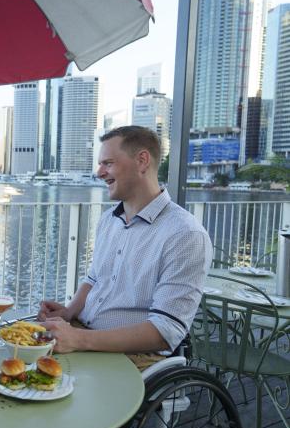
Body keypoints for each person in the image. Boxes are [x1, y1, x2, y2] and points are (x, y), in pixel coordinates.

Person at [38, 126, 211, 366]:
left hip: (131, 355)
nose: (99, 173)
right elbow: (94, 278)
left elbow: (165, 331)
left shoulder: (185, 235)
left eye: (107, 163)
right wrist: (69, 313)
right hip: (85, 333)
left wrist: (78, 339)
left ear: (142, 161)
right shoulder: (110, 220)